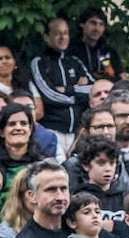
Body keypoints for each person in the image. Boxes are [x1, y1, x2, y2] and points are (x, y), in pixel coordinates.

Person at [0, 103, 47, 230]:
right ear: (1, 132)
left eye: (23, 123)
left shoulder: (44, 166)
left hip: (37, 234)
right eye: (11, 124)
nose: (18, 128)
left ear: (30, 129)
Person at [29, 17, 92, 155]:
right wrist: (79, 97)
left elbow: (93, 90)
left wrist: (69, 90)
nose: (63, 37)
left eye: (66, 33)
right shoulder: (39, 63)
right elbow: (48, 95)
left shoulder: (75, 62)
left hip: (76, 130)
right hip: (51, 130)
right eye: (58, 33)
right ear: (46, 37)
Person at [0, 45, 40, 121]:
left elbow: (39, 111)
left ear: (15, 62)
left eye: (8, 57)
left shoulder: (27, 83)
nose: (4, 61)